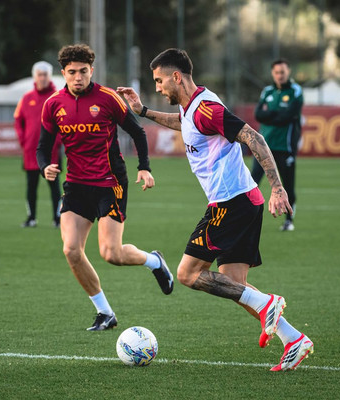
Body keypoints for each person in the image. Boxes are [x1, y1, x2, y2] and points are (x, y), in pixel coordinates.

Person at [117, 48, 313, 371]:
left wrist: (278, 188)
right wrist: (144, 111)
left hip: (230, 203)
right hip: (245, 200)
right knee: (234, 284)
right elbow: (183, 123)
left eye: (159, 81)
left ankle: (268, 303)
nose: (158, 87)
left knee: (187, 273)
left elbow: (253, 137)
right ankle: (293, 339)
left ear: (176, 76)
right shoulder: (191, 107)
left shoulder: (207, 108)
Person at [37, 44, 174, 331]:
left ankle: (154, 261)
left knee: (112, 254)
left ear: (92, 70)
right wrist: (45, 166)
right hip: (76, 185)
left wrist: (144, 167)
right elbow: (43, 147)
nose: (78, 77)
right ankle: (105, 313)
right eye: (72, 72)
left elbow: (137, 132)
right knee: (71, 250)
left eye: (83, 71)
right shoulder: (53, 104)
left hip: (110, 183)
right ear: (63, 73)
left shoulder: (108, 98)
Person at [252, 59, 303, 232]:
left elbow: (288, 115)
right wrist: (277, 113)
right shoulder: (267, 91)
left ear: (288, 72)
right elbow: (258, 114)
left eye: (282, 72)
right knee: (252, 183)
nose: (279, 75)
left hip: (285, 147)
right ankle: (246, 218)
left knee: (287, 185)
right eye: (276, 72)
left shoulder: (295, 91)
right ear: (272, 74)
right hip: (263, 146)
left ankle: (289, 220)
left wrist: (270, 114)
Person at [14, 61, 62, 228]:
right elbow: (18, 120)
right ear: (35, 77)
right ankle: (31, 218)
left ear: (50, 76)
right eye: (39, 75)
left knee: (55, 186)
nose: (42, 78)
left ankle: (57, 218)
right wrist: (24, 140)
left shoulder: (58, 97)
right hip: (30, 152)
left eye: (45, 75)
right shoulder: (26, 98)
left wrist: (57, 142)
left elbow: (64, 122)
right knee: (31, 186)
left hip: (51, 153)